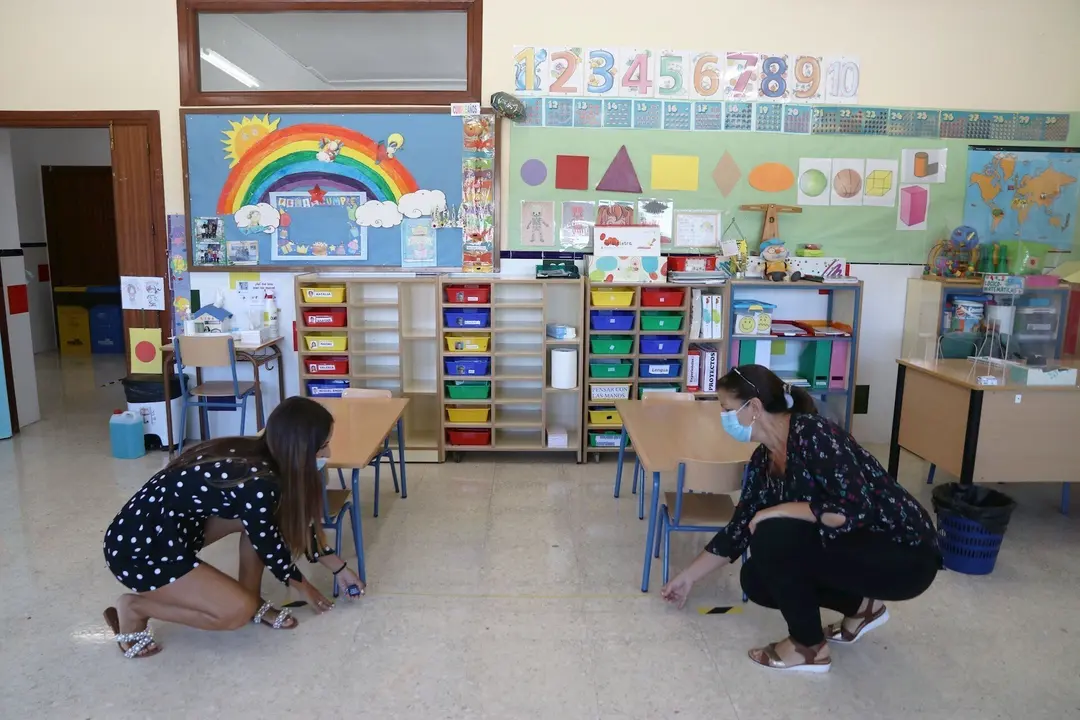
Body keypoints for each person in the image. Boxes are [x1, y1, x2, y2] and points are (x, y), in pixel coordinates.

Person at [661, 365, 940, 673]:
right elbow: (738, 529)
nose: (723, 418)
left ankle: (808, 648)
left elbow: (855, 509)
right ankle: (862, 608)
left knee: (771, 534)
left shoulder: (813, 433)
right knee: (756, 578)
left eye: (726, 409)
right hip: (857, 549)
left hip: (906, 554)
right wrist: (687, 577)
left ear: (753, 407)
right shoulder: (762, 462)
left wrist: (775, 511)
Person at [101, 396, 364, 658]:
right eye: (322, 446)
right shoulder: (260, 481)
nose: (327, 454)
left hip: (168, 531)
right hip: (139, 550)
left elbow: (275, 526)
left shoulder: (261, 452)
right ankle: (136, 608)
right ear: (297, 448)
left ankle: (252, 601)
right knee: (234, 613)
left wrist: (336, 565)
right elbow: (269, 544)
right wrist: (302, 585)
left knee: (264, 521)